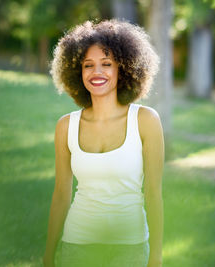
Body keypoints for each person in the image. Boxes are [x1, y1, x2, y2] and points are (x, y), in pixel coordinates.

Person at [43, 19, 164, 267]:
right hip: (77, 246)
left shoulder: (145, 121)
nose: (97, 72)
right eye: (88, 65)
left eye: (106, 64)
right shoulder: (66, 126)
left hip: (129, 247)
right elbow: (61, 195)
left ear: (124, 68)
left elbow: (153, 193)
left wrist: (156, 255)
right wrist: (49, 253)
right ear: (78, 72)